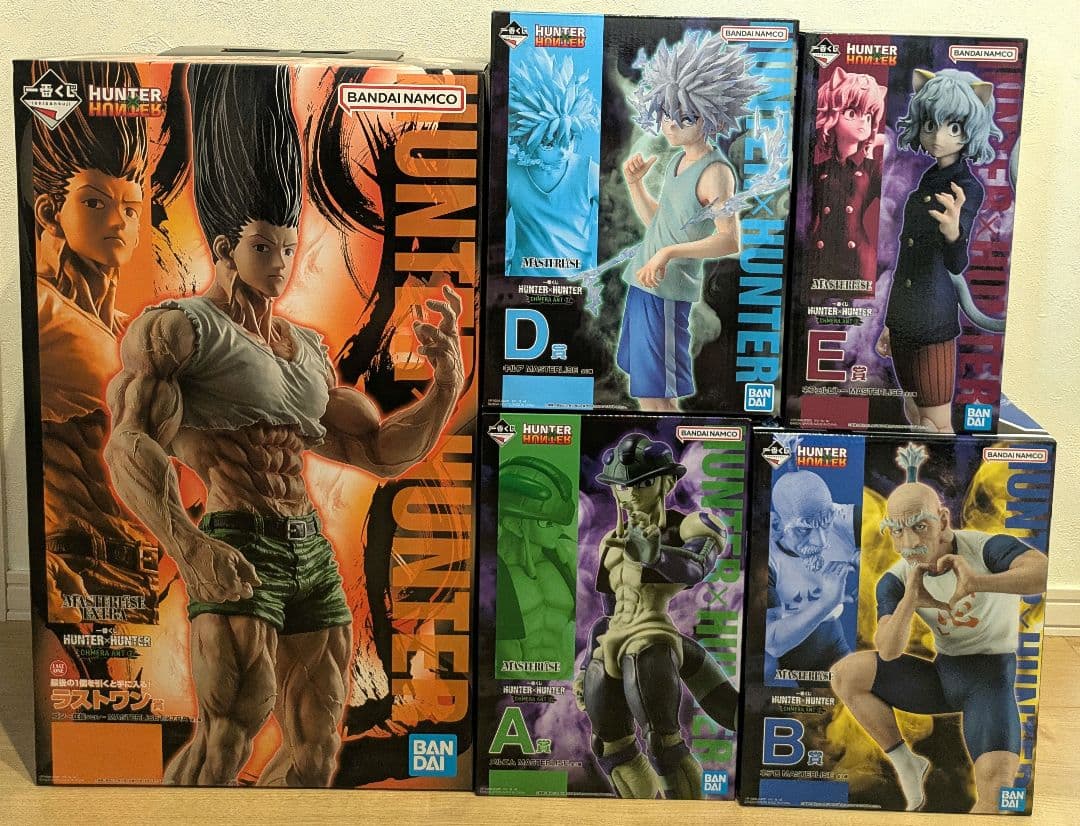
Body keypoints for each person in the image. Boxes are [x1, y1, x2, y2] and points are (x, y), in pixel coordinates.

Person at [104, 63, 465, 787]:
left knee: (316, 748)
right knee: (226, 740)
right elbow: (129, 445)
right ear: (224, 247)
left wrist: (445, 387)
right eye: (262, 247)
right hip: (237, 545)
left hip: (310, 554)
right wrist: (192, 549)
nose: (280, 263)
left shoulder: (307, 351)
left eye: (289, 245)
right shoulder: (181, 331)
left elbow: (377, 452)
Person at [831, 444, 1048, 812]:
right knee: (845, 673)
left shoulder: (983, 548)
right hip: (943, 677)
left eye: (920, 526)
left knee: (996, 788)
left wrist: (979, 582)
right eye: (897, 531)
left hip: (988, 680)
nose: (910, 543)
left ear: (944, 521)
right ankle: (907, 763)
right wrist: (910, 600)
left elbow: (1040, 573)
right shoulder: (897, 579)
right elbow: (888, 650)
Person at [30, 60, 158, 624]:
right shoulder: (40, 309)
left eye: (131, 208)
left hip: (136, 578)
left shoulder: (125, 327)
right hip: (71, 577)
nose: (120, 222)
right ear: (49, 213)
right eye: (95, 202)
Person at [576, 434, 736, 799]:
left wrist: (657, 555)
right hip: (611, 645)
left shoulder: (689, 525)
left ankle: (683, 816)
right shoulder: (610, 543)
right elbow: (609, 613)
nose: (631, 494)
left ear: (666, 482)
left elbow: (696, 568)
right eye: (623, 486)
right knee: (611, 748)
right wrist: (586, 666)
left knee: (663, 744)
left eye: (643, 483)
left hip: (653, 638)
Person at [617, 30, 763, 411]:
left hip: (667, 292)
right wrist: (635, 185)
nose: (670, 125)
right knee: (646, 390)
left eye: (684, 117)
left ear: (710, 115)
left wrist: (667, 254)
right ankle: (660, 443)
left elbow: (730, 240)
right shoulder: (678, 161)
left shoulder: (716, 173)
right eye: (666, 113)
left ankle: (674, 447)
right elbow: (662, 224)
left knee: (659, 396)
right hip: (644, 284)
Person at [876, 69, 1003, 432]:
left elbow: (956, 263)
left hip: (934, 319)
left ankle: (941, 470)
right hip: (905, 318)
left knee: (935, 422)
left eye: (954, 127)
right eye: (930, 124)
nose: (937, 136)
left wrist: (953, 233)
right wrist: (890, 323)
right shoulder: (928, 180)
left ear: (971, 130)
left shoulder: (967, 188)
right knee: (914, 413)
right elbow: (906, 261)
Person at [505, 47, 600, 276]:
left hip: (578, 287)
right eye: (549, 144)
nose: (563, 152)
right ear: (525, 139)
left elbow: (618, 228)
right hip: (521, 285)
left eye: (569, 140)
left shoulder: (588, 172)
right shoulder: (511, 174)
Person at [765, 470, 857, 681]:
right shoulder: (766, 552)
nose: (821, 541)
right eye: (803, 530)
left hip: (831, 644)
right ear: (777, 525)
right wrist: (827, 601)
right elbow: (773, 643)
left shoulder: (841, 519)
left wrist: (873, 561)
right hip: (777, 663)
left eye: (826, 524)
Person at [494, 457, 577, 674]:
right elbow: (505, 657)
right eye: (547, 523)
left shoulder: (564, 557)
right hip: (513, 686)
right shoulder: (494, 576)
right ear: (514, 524)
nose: (559, 530)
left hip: (566, 680)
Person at [806, 67, 887, 286]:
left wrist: (876, 143)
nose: (863, 122)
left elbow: (894, 206)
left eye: (868, 116)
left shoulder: (872, 168)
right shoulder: (819, 168)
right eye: (852, 113)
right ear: (831, 114)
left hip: (857, 264)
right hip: (820, 261)